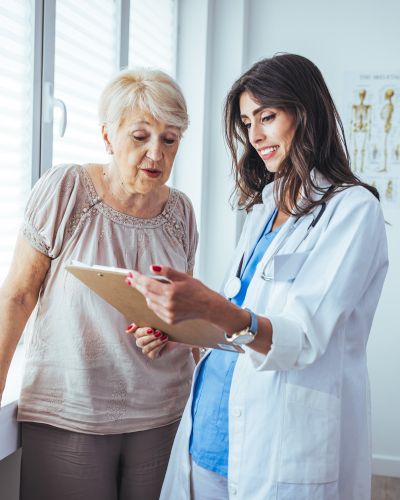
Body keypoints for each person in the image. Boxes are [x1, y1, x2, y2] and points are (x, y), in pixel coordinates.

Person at [126, 54, 389, 500]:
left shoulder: (353, 210)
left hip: (282, 445)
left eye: (268, 116)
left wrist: (211, 306)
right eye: (248, 122)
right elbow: (239, 325)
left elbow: (302, 339)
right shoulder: (264, 209)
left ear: (306, 114)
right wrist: (183, 325)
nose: (256, 135)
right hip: (211, 432)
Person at [0, 68, 198, 500]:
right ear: (109, 136)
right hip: (70, 411)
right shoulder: (66, 189)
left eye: (169, 139)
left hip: (164, 414)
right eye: (140, 136)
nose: (155, 154)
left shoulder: (181, 212)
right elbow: (17, 295)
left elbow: (184, 310)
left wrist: (169, 331)